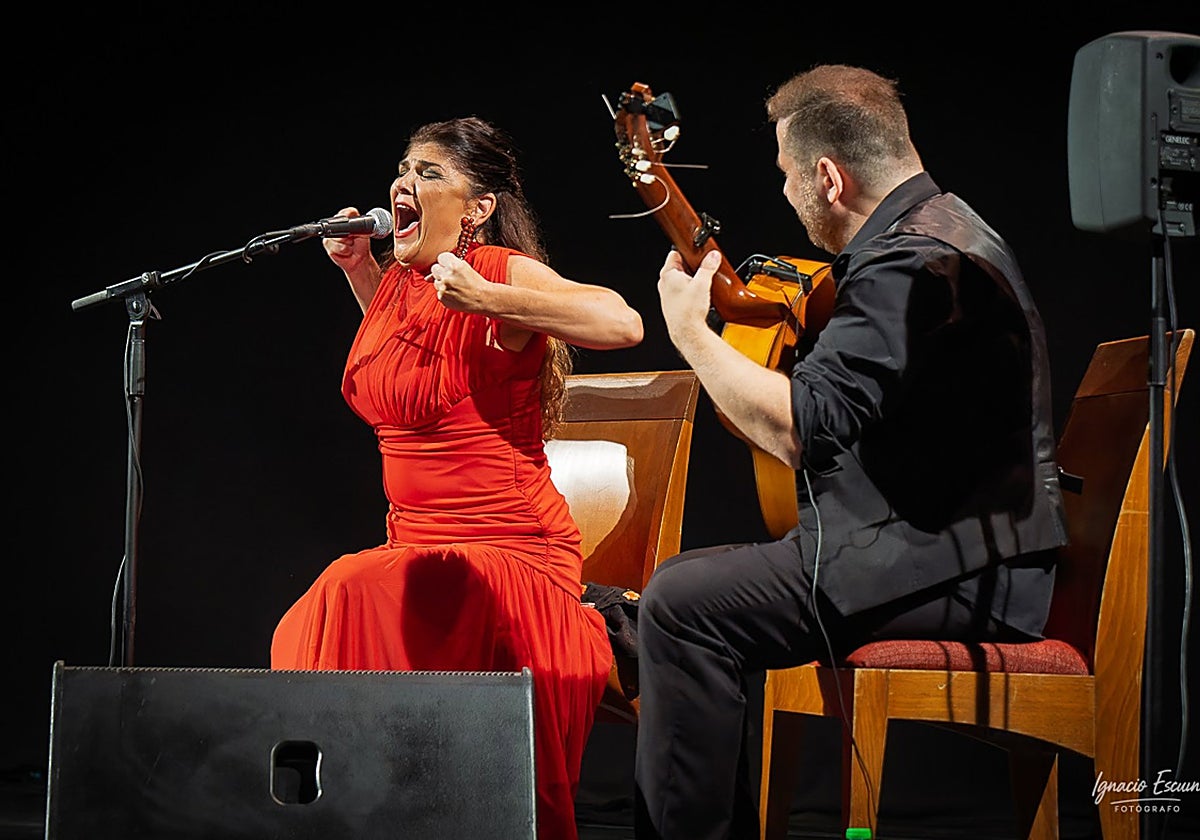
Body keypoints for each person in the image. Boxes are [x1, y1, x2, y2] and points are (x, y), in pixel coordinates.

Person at [634, 64, 1068, 839]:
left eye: (787, 175)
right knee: (682, 586)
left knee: (680, 606)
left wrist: (692, 334)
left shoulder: (910, 262)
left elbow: (803, 428)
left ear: (828, 177)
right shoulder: (948, 228)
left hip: (954, 570)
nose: (785, 194)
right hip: (958, 554)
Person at [270, 116, 644, 840]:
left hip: (512, 554)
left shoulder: (496, 269)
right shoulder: (400, 283)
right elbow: (412, 374)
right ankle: (368, 818)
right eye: (404, 166)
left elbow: (620, 322)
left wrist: (491, 300)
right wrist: (360, 272)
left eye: (431, 171)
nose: (405, 181)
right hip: (416, 547)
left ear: (477, 208)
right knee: (330, 611)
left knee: (347, 591)